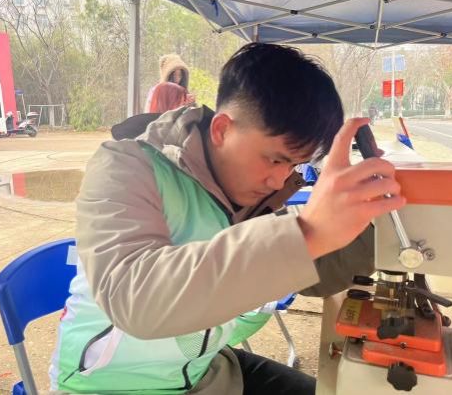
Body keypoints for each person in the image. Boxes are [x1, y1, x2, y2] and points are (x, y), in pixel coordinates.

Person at [50, 43, 404, 394]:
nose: (279, 180)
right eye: (276, 159)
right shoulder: (123, 166)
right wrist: (307, 232)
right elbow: (135, 300)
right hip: (109, 385)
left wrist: (375, 221)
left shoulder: (249, 191)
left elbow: (305, 269)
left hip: (204, 372)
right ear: (221, 129)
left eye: (294, 166)